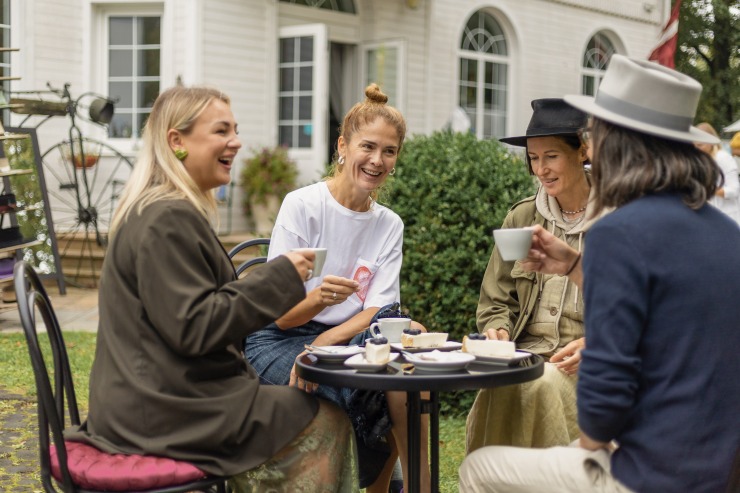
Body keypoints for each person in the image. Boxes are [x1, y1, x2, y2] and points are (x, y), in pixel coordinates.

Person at [459, 54, 740, 493]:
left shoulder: (618, 231)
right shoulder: (727, 234)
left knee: (479, 467)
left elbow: (600, 415)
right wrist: (573, 265)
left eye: (594, 134)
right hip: (717, 470)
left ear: (616, 142)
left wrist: (593, 439)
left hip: (649, 476)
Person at [65, 86, 358, 492]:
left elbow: (196, 312)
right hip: (161, 411)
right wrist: (281, 277)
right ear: (176, 141)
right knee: (326, 420)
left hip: (153, 399)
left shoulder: (161, 209)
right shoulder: (166, 217)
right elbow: (195, 326)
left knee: (300, 405)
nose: (235, 141)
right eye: (221, 131)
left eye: (234, 130)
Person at [245, 84, 430, 493]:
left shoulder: (389, 224)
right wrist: (316, 303)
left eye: (389, 151)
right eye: (368, 147)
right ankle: (391, 486)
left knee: (408, 344)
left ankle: (419, 487)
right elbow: (277, 314)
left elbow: (381, 311)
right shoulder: (303, 206)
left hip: (343, 339)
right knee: (376, 388)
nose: (377, 160)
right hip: (281, 338)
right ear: (342, 146)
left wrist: (326, 341)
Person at [466, 98, 601, 452]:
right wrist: (497, 329)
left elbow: (641, 308)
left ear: (582, 152)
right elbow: (495, 300)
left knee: (541, 384)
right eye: (534, 158)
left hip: (583, 363)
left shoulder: (617, 217)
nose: (541, 169)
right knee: (499, 384)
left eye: (551, 156)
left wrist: (599, 344)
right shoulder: (523, 217)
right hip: (525, 356)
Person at [694, 122, 740, 225]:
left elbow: (734, 190)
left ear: (711, 142)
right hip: (709, 217)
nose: (697, 149)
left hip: (728, 218)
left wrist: (710, 189)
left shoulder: (723, 158)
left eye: (700, 145)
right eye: (694, 146)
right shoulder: (701, 160)